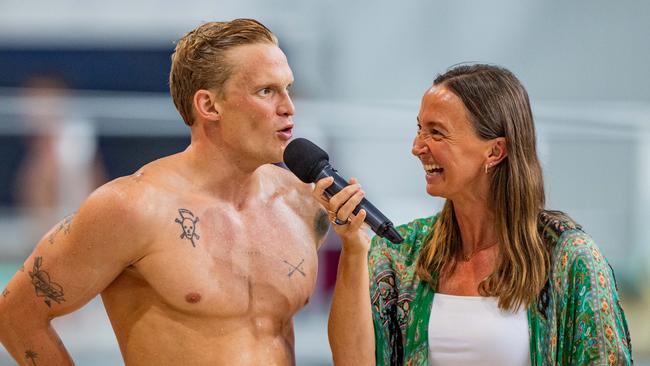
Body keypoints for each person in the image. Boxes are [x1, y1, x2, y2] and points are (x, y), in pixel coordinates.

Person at [0, 19, 329, 365]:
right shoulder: (134, 206)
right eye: (266, 91)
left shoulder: (300, 203)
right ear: (209, 106)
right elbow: (16, 314)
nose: (289, 107)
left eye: (288, 88)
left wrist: (354, 250)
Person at [315, 64, 632, 365]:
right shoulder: (400, 252)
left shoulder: (569, 259)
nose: (417, 146)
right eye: (419, 129)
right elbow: (351, 361)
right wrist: (354, 248)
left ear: (495, 151)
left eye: (437, 133)